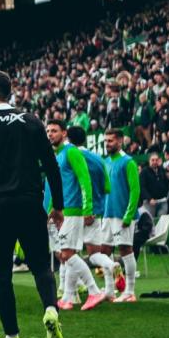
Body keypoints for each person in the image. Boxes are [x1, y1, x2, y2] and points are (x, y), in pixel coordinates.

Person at [0, 71, 65, 338]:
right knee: (41, 267)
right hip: (30, 203)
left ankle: (12, 337)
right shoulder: (32, 121)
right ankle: (50, 309)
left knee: (2, 274)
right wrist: (57, 205)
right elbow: (51, 166)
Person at [45, 120, 106, 311]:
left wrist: (88, 209)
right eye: (48, 131)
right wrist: (52, 210)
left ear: (64, 133)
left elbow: (84, 180)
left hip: (74, 210)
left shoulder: (71, 152)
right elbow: (58, 186)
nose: (50, 134)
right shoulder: (57, 155)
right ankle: (70, 297)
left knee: (67, 254)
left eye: (54, 131)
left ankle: (94, 291)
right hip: (64, 211)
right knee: (67, 254)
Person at [69, 126, 118, 300]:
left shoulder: (71, 156)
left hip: (75, 209)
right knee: (95, 253)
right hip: (97, 210)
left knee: (69, 253)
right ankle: (110, 288)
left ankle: (72, 294)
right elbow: (107, 187)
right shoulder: (99, 159)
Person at [102, 129, 140, 302]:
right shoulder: (106, 162)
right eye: (106, 141)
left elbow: (135, 190)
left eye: (110, 141)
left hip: (122, 214)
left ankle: (130, 291)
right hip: (107, 213)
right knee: (104, 251)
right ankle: (110, 290)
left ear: (120, 141)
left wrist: (129, 215)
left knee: (125, 250)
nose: (107, 144)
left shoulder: (128, 162)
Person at [140, 153, 169, 217]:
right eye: (152, 160)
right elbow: (142, 187)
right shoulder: (144, 171)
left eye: (156, 160)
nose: (155, 162)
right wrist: (149, 199)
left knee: (161, 221)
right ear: (149, 161)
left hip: (162, 201)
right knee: (150, 222)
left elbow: (167, 183)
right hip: (149, 202)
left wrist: (165, 195)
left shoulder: (162, 170)